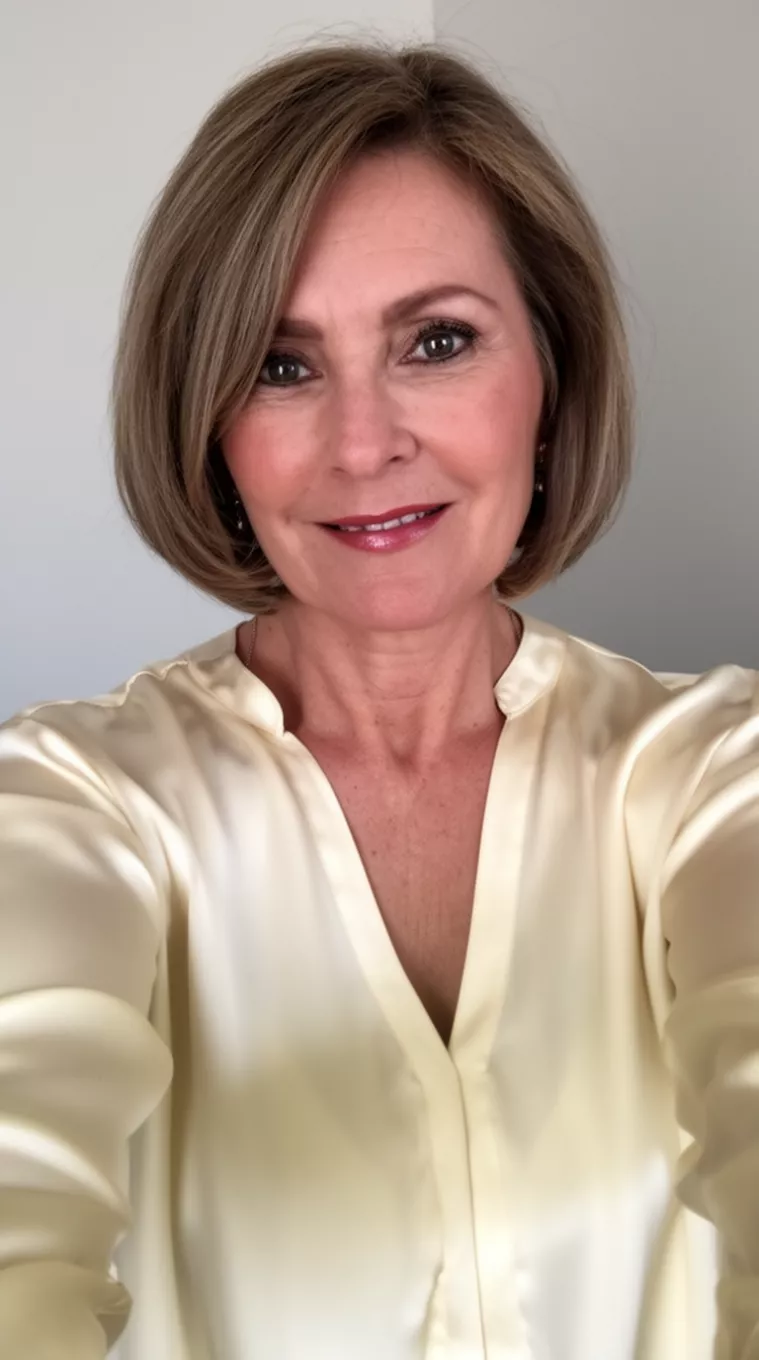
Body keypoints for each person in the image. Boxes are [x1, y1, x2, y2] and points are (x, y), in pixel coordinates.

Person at [0, 36, 757, 1360]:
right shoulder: (77, 805)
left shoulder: (712, 774)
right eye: (282, 365)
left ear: (550, 376)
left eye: (438, 340)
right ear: (209, 421)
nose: (363, 443)